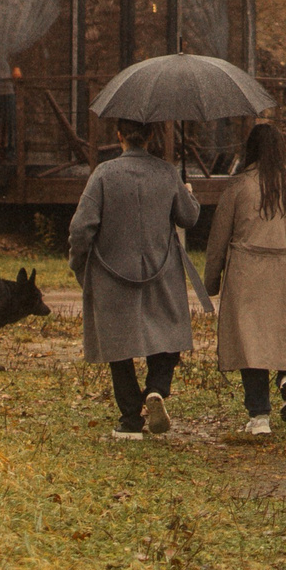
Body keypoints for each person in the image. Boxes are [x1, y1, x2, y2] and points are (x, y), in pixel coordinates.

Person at [68, 116, 202, 439]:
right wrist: (188, 193)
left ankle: (130, 419)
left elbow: (80, 228)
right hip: (162, 271)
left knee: (118, 345)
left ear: (119, 136)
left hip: (113, 274)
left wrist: (79, 265)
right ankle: (156, 388)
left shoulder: (103, 174)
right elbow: (189, 217)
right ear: (151, 135)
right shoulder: (167, 172)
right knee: (169, 332)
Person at [199, 121, 286, 435]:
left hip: (248, 275)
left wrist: (211, 282)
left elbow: (218, 240)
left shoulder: (237, 187)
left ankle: (259, 415)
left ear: (251, 150)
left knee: (251, 342)